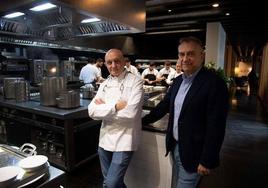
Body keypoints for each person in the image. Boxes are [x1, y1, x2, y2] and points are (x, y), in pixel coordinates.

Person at [142, 36, 229, 188]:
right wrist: (142, 121)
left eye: (190, 54)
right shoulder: (178, 81)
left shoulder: (214, 83)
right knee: (175, 184)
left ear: (201, 56)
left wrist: (207, 159)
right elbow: (164, 106)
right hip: (175, 146)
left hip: (195, 152)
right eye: (182, 54)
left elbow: (216, 126)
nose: (185, 58)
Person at [88, 49, 144, 188]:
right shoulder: (105, 83)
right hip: (105, 138)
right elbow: (92, 111)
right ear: (105, 64)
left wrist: (104, 109)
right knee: (110, 183)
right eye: (109, 62)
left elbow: (131, 115)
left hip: (125, 139)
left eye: (117, 61)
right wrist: (115, 107)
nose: (113, 65)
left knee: (111, 183)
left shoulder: (136, 81)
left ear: (124, 62)